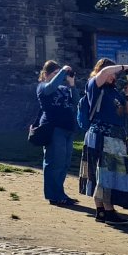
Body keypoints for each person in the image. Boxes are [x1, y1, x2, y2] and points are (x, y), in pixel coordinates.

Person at [78, 59, 128, 224]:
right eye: (112, 73)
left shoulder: (113, 91)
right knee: (105, 174)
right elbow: (104, 73)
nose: (114, 76)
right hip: (100, 136)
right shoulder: (94, 85)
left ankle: (101, 212)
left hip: (112, 137)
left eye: (115, 74)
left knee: (106, 174)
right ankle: (108, 211)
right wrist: (126, 67)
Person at [36, 60, 79, 206]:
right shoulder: (42, 87)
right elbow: (50, 88)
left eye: (59, 73)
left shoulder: (64, 88)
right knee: (55, 162)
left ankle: (60, 193)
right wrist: (63, 72)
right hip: (54, 128)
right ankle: (53, 195)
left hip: (68, 128)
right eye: (55, 73)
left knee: (65, 163)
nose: (58, 76)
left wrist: (72, 84)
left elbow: (76, 102)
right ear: (46, 74)